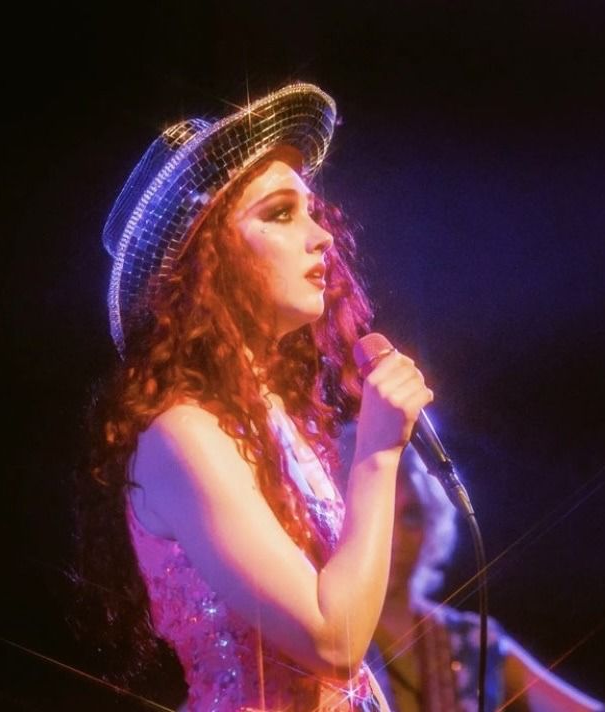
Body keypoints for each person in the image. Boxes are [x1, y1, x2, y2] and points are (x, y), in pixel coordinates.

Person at [72, 81, 435, 711]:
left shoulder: (275, 421)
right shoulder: (182, 436)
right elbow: (332, 642)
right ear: (205, 260)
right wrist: (377, 453)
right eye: (280, 213)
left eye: (312, 211)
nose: (321, 236)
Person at [333, 426, 605, 712]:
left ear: (432, 523)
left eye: (411, 514)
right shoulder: (325, 633)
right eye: (385, 513)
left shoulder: (470, 638)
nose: (395, 537)